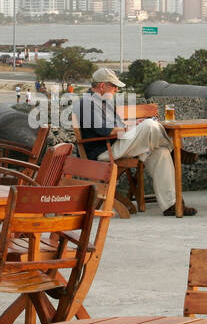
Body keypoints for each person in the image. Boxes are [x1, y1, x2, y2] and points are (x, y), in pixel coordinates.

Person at [75, 67, 195, 216]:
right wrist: (134, 127)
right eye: (114, 86)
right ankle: (175, 151)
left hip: (117, 143)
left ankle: (171, 205)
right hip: (105, 150)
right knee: (150, 125)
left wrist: (134, 123)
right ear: (102, 86)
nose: (116, 90)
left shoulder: (103, 102)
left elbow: (117, 126)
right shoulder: (87, 104)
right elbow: (108, 131)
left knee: (160, 152)